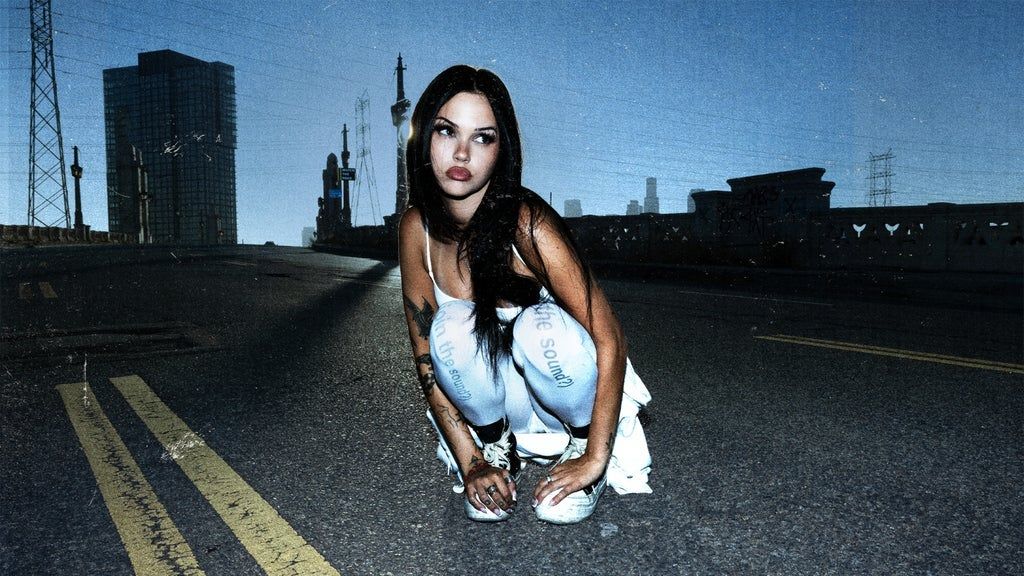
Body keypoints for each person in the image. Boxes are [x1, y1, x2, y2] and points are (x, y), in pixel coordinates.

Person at [398, 65, 651, 525]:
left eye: (483, 138)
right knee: (447, 329)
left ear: (502, 150)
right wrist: (471, 463)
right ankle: (498, 453)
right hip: (494, 412)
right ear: (424, 136)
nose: (461, 152)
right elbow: (427, 362)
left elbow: (610, 337)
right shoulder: (417, 227)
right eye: (446, 130)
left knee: (540, 325)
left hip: (566, 399)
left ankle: (578, 450)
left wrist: (595, 458)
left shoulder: (526, 221)